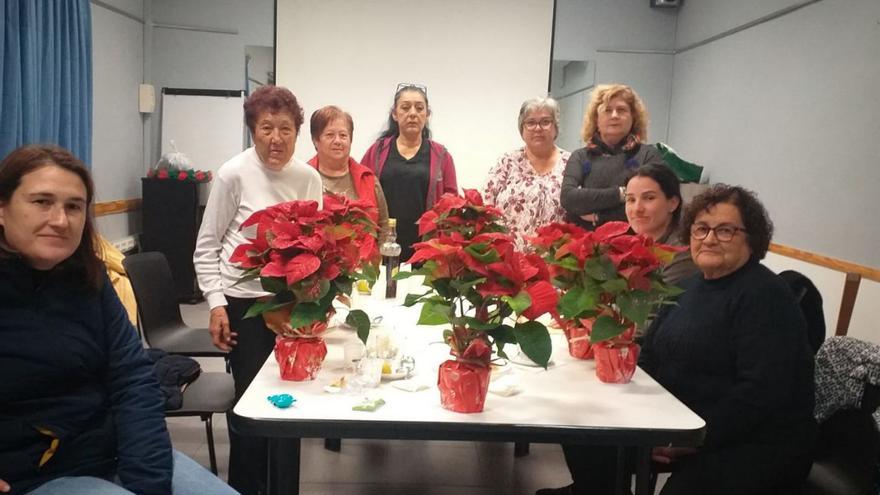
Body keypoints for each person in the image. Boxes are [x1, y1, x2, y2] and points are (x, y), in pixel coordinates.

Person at [540, 185, 817, 495]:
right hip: (680, 423)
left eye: (725, 230)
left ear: (751, 238)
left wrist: (688, 438)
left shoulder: (765, 297)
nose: (709, 238)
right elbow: (651, 356)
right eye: (701, 229)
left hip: (753, 440)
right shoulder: (689, 286)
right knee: (585, 432)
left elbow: (760, 394)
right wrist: (628, 412)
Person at [0, 145, 237, 495]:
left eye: (73, 206)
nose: (60, 219)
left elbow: (133, 378)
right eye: (41, 202)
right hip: (35, 476)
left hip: (110, 452)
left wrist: (149, 479)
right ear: (3, 209)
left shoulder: (88, 281)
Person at [193, 85, 323, 495]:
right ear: (253, 130)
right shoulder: (233, 173)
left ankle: (283, 485)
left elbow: (314, 245)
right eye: (266, 127)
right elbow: (207, 246)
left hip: (290, 304)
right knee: (251, 401)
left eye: (285, 128)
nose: (276, 138)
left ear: (297, 133)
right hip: (243, 305)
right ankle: (246, 487)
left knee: (293, 398)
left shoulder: (307, 177)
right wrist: (216, 305)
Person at [361, 83, 457, 262]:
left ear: (427, 115)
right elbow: (361, 196)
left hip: (426, 251)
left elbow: (452, 207)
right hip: (382, 248)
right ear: (395, 114)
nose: (412, 113)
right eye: (405, 108)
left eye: (419, 108)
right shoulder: (376, 152)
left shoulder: (442, 157)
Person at [560, 84, 666, 230]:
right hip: (586, 246)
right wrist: (622, 194)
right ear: (596, 119)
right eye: (607, 110)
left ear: (633, 117)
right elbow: (569, 198)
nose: (614, 115)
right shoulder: (580, 156)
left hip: (635, 245)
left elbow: (652, 206)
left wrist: (600, 217)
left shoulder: (648, 155)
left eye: (621, 110)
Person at [483, 97, 571, 250]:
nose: (538, 128)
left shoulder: (571, 163)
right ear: (522, 129)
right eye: (530, 123)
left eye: (545, 122)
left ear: (555, 127)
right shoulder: (507, 162)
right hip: (507, 260)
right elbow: (485, 205)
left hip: (555, 261)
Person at [307, 105, 389, 240]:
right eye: (330, 135)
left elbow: (384, 226)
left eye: (343, 135)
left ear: (351, 140)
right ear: (316, 140)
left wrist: (378, 259)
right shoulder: (306, 178)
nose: (338, 141)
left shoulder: (368, 179)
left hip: (366, 259)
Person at [623, 163, 698, 286]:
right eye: (631, 200)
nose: (637, 209)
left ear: (673, 203)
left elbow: (660, 302)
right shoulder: (633, 245)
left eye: (649, 198)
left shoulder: (682, 252)